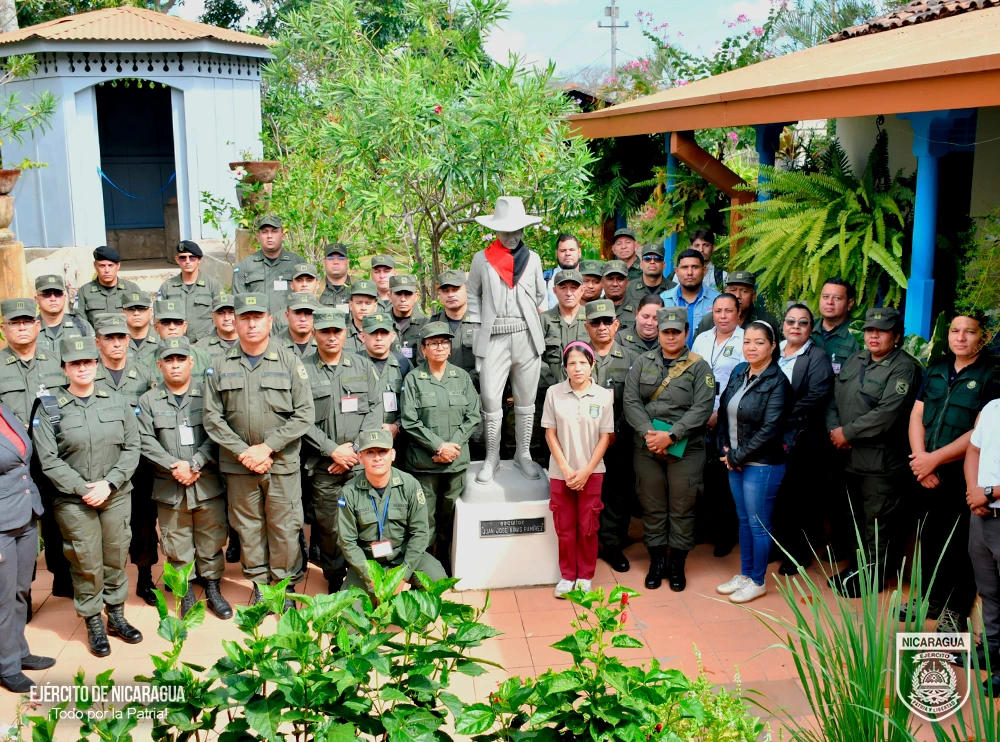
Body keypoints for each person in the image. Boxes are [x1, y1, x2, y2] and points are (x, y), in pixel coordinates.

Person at [203, 293, 314, 608]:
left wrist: (266, 448)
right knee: (248, 527)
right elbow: (212, 418)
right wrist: (244, 452)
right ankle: (261, 587)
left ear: (270, 320)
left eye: (257, 317)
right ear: (235, 322)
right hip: (239, 466)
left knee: (284, 526)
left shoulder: (289, 362)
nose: (251, 324)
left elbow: (304, 414)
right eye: (245, 318)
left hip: (281, 463)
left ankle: (284, 589)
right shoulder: (219, 365)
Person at [33, 336, 142, 657]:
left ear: (96, 365)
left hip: (115, 494)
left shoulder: (116, 401)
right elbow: (48, 459)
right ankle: (93, 620)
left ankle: (116, 616)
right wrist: (83, 489)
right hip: (73, 500)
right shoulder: (49, 406)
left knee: (116, 555)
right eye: (75, 363)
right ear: (64, 368)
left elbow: (132, 447)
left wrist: (109, 484)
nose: (82, 368)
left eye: (88, 362)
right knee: (86, 561)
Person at [909, 312, 1000, 631]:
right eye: (954, 331)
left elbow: (980, 431)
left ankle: (955, 610)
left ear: (983, 337)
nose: (960, 337)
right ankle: (929, 600)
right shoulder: (936, 368)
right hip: (927, 473)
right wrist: (921, 460)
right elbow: (917, 414)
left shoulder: (991, 375)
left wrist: (933, 460)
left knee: (962, 547)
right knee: (930, 539)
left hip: (964, 476)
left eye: (969, 332)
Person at [826, 307, 920, 596]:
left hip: (880, 463)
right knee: (854, 519)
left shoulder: (904, 367)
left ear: (896, 336)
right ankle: (858, 569)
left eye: (882, 331)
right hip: (849, 457)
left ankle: (873, 578)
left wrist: (847, 433)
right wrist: (835, 430)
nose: (874, 336)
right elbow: (834, 399)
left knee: (877, 523)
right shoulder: (856, 359)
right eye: (869, 330)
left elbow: (888, 413)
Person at [136, 337, 232, 620]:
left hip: (206, 482)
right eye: (169, 360)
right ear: (160, 365)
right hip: (170, 485)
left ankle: (212, 588)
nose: (175, 365)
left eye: (180, 359)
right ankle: (185, 591)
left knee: (211, 539)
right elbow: (145, 440)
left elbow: (219, 432)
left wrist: (195, 462)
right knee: (176, 542)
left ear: (191, 362)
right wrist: (174, 466)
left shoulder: (207, 394)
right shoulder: (148, 400)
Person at [624, 308, 715, 591]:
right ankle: (656, 562)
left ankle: (676, 564)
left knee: (682, 507)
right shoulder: (642, 362)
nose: (671, 337)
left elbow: (703, 407)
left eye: (677, 332)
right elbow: (631, 400)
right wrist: (649, 434)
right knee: (652, 506)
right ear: (659, 333)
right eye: (666, 332)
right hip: (647, 446)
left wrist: (672, 435)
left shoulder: (699, 367)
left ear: (687, 333)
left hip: (686, 449)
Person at [466, 196, 547, 483]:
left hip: (525, 335)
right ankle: (492, 457)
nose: (512, 236)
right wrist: (478, 330)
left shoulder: (533, 259)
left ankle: (523, 454)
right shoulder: (482, 259)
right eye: (506, 231)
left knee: (526, 400)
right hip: (494, 337)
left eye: (517, 230)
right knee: (490, 399)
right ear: (496, 230)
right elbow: (472, 294)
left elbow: (540, 294)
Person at [302, 308, 382, 593]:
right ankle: (335, 576)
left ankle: (367, 574)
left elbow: (375, 409)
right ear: (314, 334)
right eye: (325, 331)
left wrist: (356, 450)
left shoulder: (362, 366)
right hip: (325, 466)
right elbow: (300, 418)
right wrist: (332, 451)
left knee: (367, 518)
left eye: (337, 331)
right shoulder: (302, 370)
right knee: (329, 526)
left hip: (360, 463)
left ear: (346, 333)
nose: (331, 337)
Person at [0, 299, 73, 599]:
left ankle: (62, 578)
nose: (21, 327)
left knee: (58, 518)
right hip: (15, 463)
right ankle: (24, 592)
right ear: (4, 328)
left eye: (27, 321)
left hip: (54, 455)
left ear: (37, 325)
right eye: (14, 322)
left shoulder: (57, 362)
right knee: (21, 525)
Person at [714, 320, 792, 604]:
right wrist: (725, 447)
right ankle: (745, 574)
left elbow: (770, 430)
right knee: (744, 521)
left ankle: (758, 580)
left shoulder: (778, 383)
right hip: (735, 460)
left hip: (762, 464)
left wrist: (735, 456)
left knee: (758, 524)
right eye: (747, 341)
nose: (751, 347)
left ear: (772, 346)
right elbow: (725, 412)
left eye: (759, 342)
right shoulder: (739, 371)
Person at [400, 322, 480, 572]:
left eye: (444, 342)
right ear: (423, 349)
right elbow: (409, 421)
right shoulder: (414, 379)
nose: (440, 347)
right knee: (424, 517)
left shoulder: (461, 377)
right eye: (433, 343)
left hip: (455, 463)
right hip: (425, 464)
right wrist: (438, 447)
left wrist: (451, 447)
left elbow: (473, 415)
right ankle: (425, 565)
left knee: (449, 516)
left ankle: (446, 558)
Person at [92, 313, 160, 605]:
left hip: (139, 463)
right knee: (104, 529)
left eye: (121, 337)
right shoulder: (89, 375)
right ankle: (104, 585)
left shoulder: (145, 375)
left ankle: (145, 578)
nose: (117, 343)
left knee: (144, 524)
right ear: (98, 342)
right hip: (101, 464)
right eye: (109, 338)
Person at [337, 428, 447, 593]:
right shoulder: (349, 492)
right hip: (368, 561)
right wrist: (370, 578)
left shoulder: (410, 485)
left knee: (437, 581)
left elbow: (420, 533)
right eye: (370, 452)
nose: (377, 458)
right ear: (360, 458)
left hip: (402, 556)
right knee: (352, 607)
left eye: (383, 451)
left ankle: (406, 602)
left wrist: (402, 577)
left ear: (393, 455)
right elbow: (348, 542)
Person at [543, 341, 614, 597]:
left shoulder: (604, 396)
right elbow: (550, 434)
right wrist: (565, 468)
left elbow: (605, 437)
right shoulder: (554, 393)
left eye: (583, 362)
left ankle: (585, 575)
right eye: (572, 363)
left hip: (592, 472)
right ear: (565, 367)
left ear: (592, 365)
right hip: (560, 473)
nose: (577, 368)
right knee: (564, 527)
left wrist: (586, 471)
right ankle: (567, 576)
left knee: (588, 527)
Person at [770, 304, 834, 576]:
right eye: (791, 321)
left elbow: (817, 396)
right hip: (772, 435)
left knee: (799, 497)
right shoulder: (774, 350)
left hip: (803, 435)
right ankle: (778, 546)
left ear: (810, 328)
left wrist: (777, 415)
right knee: (777, 493)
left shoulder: (817, 357)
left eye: (803, 322)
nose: (795, 326)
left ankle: (798, 553)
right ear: (783, 325)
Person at [0, 401, 55, 693]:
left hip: (25, 513)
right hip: (1, 524)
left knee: (20, 591)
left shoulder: (4, 409)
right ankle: (6, 666)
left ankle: (19, 651)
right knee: (3, 599)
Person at [584, 300, 638, 573]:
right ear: (587, 327)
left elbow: (635, 401)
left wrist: (615, 431)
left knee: (618, 495)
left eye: (607, 322)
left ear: (616, 325)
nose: (602, 327)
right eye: (596, 322)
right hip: (585, 441)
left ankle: (613, 546)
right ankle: (590, 545)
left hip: (620, 440)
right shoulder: (577, 355)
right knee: (587, 495)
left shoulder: (632, 359)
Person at [691, 293, 745, 557]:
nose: (723, 316)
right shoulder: (702, 338)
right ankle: (703, 528)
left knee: (725, 479)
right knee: (701, 476)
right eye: (718, 311)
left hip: (728, 418)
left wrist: (718, 414)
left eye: (728, 311)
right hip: (698, 416)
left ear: (738, 313)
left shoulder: (746, 340)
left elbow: (744, 382)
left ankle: (725, 535)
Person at [965, 398, 1000, 687]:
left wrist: (988, 492)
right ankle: (991, 650)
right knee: (989, 589)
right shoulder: (992, 408)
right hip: (981, 515)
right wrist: (973, 492)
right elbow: (973, 451)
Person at [156, 241, 224, 343]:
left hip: (206, 343)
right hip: (175, 344)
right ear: (177, 260)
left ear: (199, 259)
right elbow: (159, 318)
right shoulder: (167, 287)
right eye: (183, 258)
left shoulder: (213, 285)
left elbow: (221, 315)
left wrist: (206, 340)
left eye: (192, 258)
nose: (187, 261)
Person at [231, 215, 302, 313]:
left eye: (274, 231)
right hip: (256, 321)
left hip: (288, 322)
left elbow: (307, 297)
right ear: (258, 237)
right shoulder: (244, 266)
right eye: (264, 232)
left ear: (283, 236)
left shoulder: (297, 263)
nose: (269, 236)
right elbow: (238, 303)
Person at [661, 249, 720, 347]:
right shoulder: (664, 299)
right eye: (684, 267)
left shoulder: (717, 300)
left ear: (704, 270)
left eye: (695, 267)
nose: (689, 273)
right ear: (676, 271)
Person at [694, 271, 780, 338]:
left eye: (744, 291)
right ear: (726, 293)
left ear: (753, 296)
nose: (738, 296)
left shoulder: (766, 321)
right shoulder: (709, 320)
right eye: (733, 290)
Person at [426, 270, 477, 382]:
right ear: (439, 295)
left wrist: (465, 382)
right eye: (445, 291)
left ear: (467, 290)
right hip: (442, 387)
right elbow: (423, 362)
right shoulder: (432, 324)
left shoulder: (481, 322)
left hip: (477, 387)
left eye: (455, 289)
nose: (450, 295)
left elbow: (491, 361)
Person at [144, 301, 214, 381]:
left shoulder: (203, 358)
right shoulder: (146, 362)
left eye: (178, 322)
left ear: (185, 326)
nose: (172, 327)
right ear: (156, 328)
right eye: (166, 322)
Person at [75, 246, 142, 327]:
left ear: (118, 265)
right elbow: (80, 322)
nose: (107, 270)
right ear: (95, 266)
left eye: (110, 266)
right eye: (102, 266)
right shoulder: (84, 292)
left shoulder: (132, 289)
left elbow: (141, 319)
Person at [34, 274, 93, 360]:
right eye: (46, 294)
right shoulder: (28, 329)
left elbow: (94, 359)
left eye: (58, 293)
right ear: (36, 299)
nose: (53, 299)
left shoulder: (82, 327)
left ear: (64, 297)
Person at [812, 277, 860, 374]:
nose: (829, 302)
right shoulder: (806, 327)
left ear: (849, 304)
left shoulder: (859, 333)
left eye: (837, 298)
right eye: (825, 297)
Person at [389, 274, 428, 361]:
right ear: (389, 296)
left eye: (408, 294)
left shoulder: (426, 323)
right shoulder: (381, 323)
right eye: (398, 294)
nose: (403, 299)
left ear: (416, 296)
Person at [624, 243, 674, 309]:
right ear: (641, 265)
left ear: (664, 265)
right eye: (647, 258)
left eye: (657, 258)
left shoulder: (674, 289)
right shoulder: (629, 288)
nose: (652, 262)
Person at [541, 233, 582, 310]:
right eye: (563, 251)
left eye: (572, 250)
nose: (568, 253)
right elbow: (542, 311)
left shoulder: (589, 278)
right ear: (556, 254)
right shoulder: (546, 279)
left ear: (579, 252)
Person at [276, 292, 319, 359]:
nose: (303, 319)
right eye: (297, 313)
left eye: (308, 313)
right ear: (287, 316)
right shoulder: (273, 345)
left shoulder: (324, 344)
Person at [122, 291, 159, 368]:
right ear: (123, 313)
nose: (136, 313)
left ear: (151, 312)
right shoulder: (117, 342)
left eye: (141, 308)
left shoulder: (161, 340)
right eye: (131, 309)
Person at [196, 294, 239, 360]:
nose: (226, 318)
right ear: (213, 317)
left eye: (231, 312)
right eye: (221, 313)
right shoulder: (202, 346)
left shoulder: (250, 341)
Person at [343, 279, 379, 355]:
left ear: (375, 306)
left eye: (368, 303)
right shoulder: (341, 334)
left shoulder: (384, 334)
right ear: (351, 305)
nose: (363, 308)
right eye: (358, 303)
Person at [602, 260, 636, 329]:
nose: (615, 284)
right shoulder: (593, 307)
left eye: (620, 279)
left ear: (627, 282)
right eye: (610, 279)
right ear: (602, 282)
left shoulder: (638, 308)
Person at [319, 242, 352, 310]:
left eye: (341, 258)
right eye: (330, 258)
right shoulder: (316, 288)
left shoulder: (358, 286)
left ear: (347, 262)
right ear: (324, 262)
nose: (336, 262)